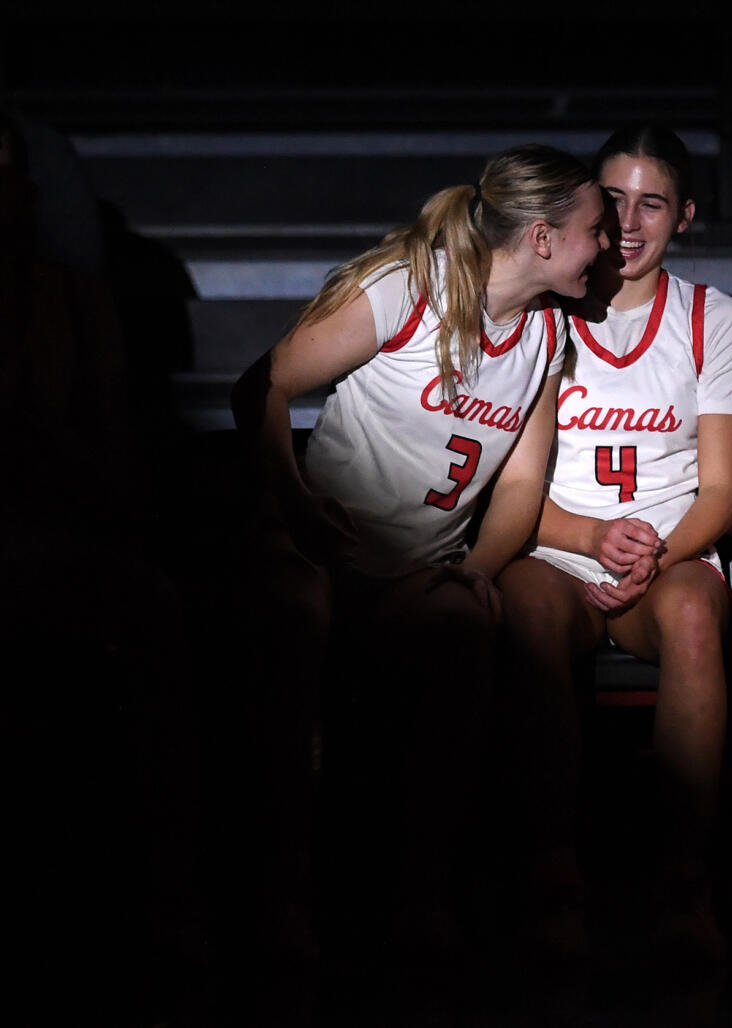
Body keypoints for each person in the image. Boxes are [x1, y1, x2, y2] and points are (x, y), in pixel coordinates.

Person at [229, 144, 608, 961]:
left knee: (464, 627)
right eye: (593, 231)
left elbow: (519, 487)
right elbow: (261, 384)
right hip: (319, 553)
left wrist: (469, 571)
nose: (606, 246)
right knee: (296, 614)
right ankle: (279, 896)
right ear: (541, 238)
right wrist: (296, 504)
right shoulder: (413, 284)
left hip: (416, 572)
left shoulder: (545, 334)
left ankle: (422, 898)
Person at [497, 126, 732, 957]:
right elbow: (509, 490)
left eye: (652, 202)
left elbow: (721, 490)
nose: (630, 222)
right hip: (558, 545)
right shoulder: (542, 309)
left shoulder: (715, 318)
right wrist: (591, 535)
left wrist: (657, 556)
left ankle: (683, 878)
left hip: (669, 551)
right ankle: (547, 872)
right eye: (612, 201)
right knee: (527, 610)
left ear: (685, 214)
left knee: (690, 620)